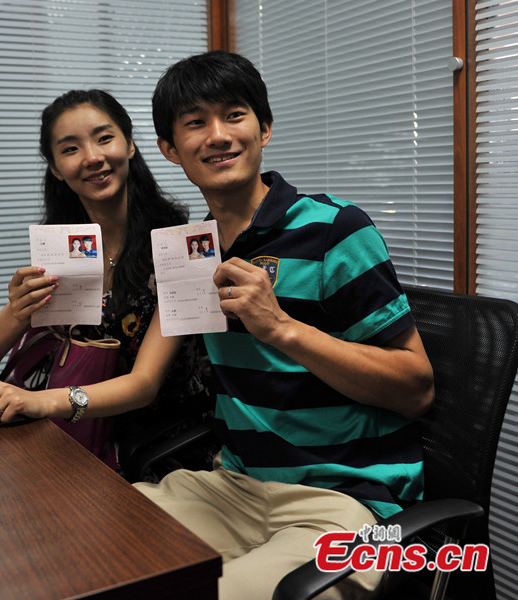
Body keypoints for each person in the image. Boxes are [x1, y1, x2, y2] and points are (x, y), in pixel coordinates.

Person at [134, 50, 435, 599]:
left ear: (265, 128)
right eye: (195, 122)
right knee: (95, 547)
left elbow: (416, 390)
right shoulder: (191, 251)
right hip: (233, 486)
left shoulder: (335, 230)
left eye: (235, 115)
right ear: (169, 149)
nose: (218, 136)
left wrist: (281, 327)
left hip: (344, 500)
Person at [0, 89, 207, 472]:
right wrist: (18, 311)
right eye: (71, 149)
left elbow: (145, 384)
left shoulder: (177, 247)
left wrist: (41, 401)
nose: (92, 157)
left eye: (104, 138)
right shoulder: (63, 248)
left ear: (129, 145)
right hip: (75, 437)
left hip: (153, 448)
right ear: (56, 168)